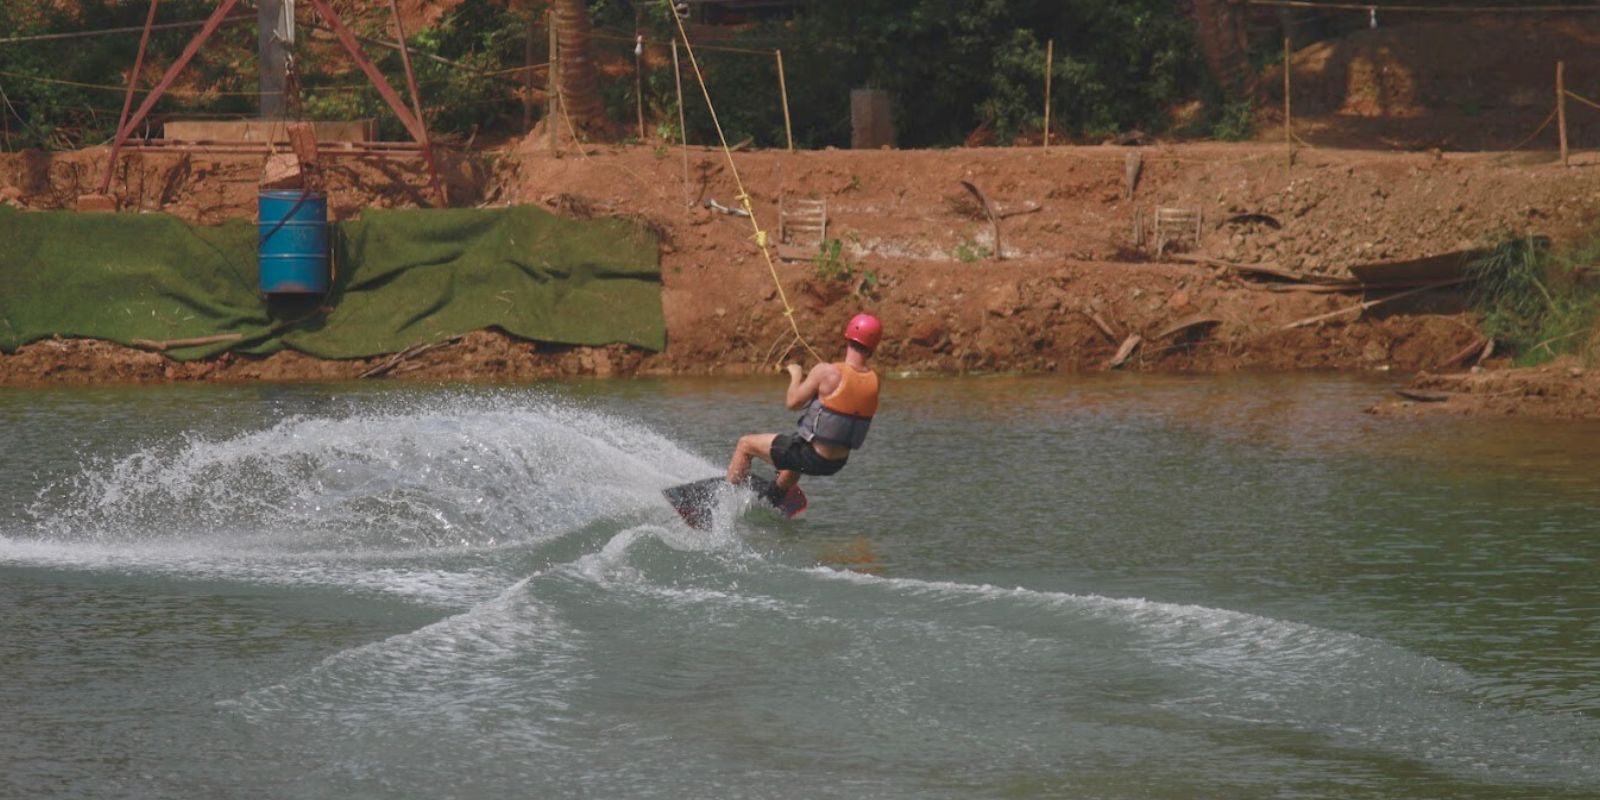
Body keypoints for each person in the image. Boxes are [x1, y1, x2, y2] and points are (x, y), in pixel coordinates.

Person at [726, 313, 882, 504]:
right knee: (793, 453)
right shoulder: (874, 382)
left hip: (812, 455)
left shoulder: (826, 371)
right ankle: (773, 498)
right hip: (836, 463)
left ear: (848, 337)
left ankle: (725, 503)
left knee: (745, 445)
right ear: (873, 348)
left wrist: (796, 375)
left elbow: (793, 402)